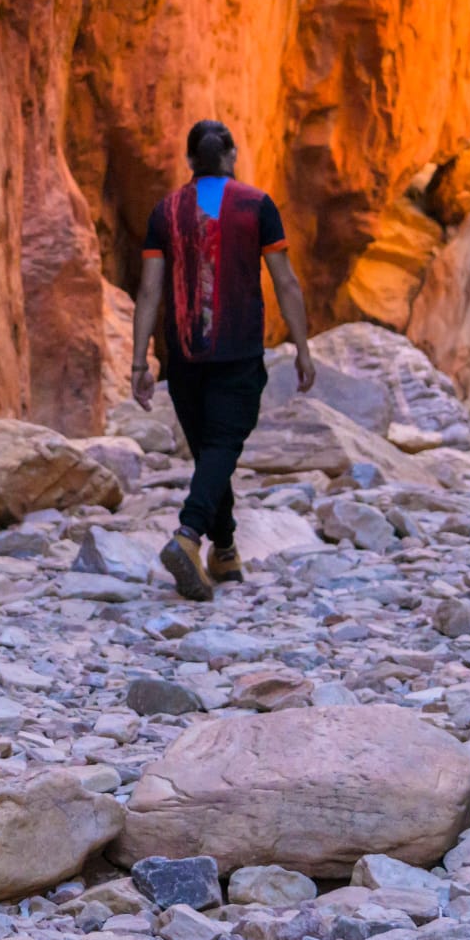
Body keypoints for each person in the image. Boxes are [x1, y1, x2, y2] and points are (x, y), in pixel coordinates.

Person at [129, 119, 314, 601]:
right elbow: (286, 282)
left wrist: (139, 362)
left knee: (213, 451)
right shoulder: (257, 206)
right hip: (237, 349)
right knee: (222, 447)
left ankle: (225, 549)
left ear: (190, 162)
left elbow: (149, 290)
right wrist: (302, 346)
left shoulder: (164, 212)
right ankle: (189, 536)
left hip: (184, 354)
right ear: (232, 155)